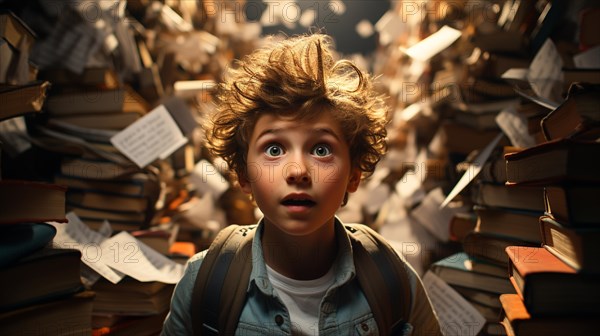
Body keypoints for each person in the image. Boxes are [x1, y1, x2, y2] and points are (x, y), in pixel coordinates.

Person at [162, 33, 442, 336]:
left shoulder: (392, 279)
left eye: (321, 150)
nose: (297, 171)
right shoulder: (205, 282)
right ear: (244, 174)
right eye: (274, 149)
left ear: (354, 174)